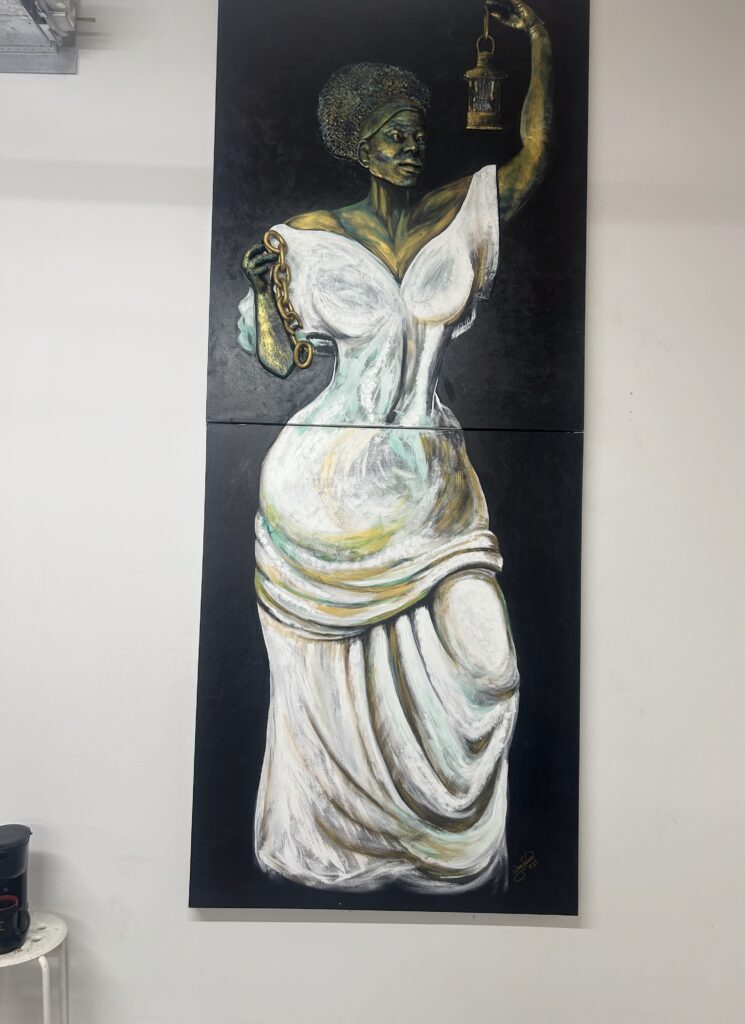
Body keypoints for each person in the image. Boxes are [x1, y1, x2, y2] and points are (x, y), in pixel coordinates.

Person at [238, 0, 553, 891]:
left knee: (489, 666)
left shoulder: (462, 213)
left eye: (414, 128)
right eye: (389, 134)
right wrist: (265, 296)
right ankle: (337, 843)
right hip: (324, 488)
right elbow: (274, 358)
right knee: (327, 688)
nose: (409, 144)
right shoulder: (303, 239)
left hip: (431, 483)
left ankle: (448, 849)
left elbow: (532, 158)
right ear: (358, 147)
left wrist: (540, 45)